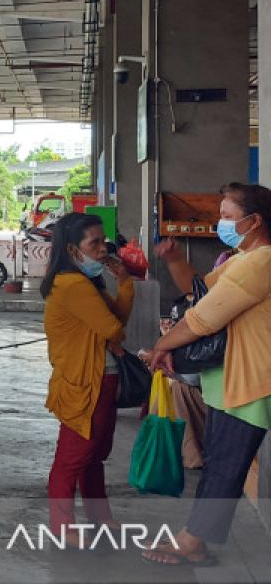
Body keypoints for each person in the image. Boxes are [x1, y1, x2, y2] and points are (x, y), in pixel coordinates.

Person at [142, 183, 271, 566]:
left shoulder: (261, 262)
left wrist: (164, 347)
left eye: (228, 217)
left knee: (226, 466)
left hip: (252, 380)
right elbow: (201, 295)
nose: (221, 223)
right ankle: (194, 539)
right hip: (232, 380)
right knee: (219, 462)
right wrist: (176, 261)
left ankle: (191, 542)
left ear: (254, 221)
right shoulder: (240, 259)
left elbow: (202, 318)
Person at [40, 212, 132, 537]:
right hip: (85, 382)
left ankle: (99, 516)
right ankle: (62, 525)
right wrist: (110, 335)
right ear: (72, 250)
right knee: (73, 456)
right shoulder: (73, 284)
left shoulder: (86, 282)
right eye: (93, 243)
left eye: (102, 241)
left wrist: (124, 283)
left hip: (100, 377)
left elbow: (116, 317)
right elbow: (114, 329)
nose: (102, 249)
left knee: (93, 455)